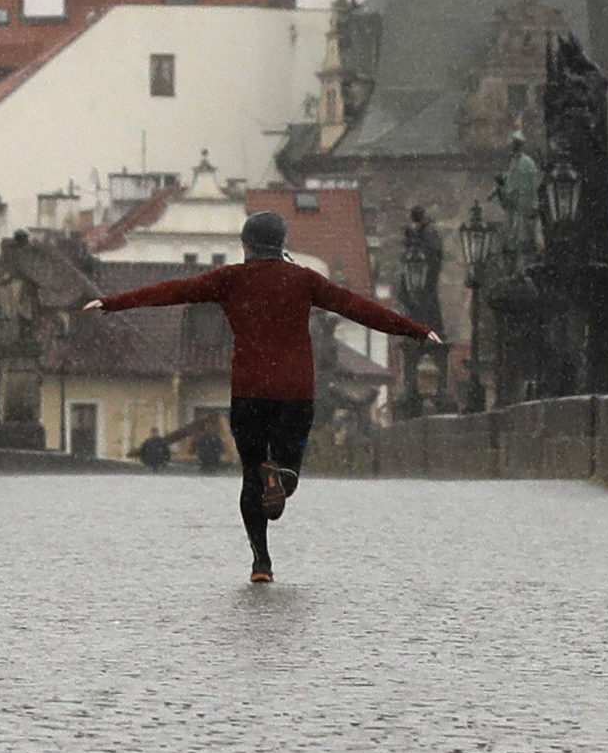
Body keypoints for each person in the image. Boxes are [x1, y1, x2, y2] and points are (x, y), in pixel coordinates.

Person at [84, 211, 439, 584]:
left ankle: (261, 563)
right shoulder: (305, 280)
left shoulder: (229, 279)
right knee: (289, 470)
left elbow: (173, 291)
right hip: (295, 392)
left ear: (244, 244)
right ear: (282, 243)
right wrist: (415, 330)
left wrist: (113, 302)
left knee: (250, 478)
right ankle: (281, 478)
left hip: (249, 392)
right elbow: (358, 308)